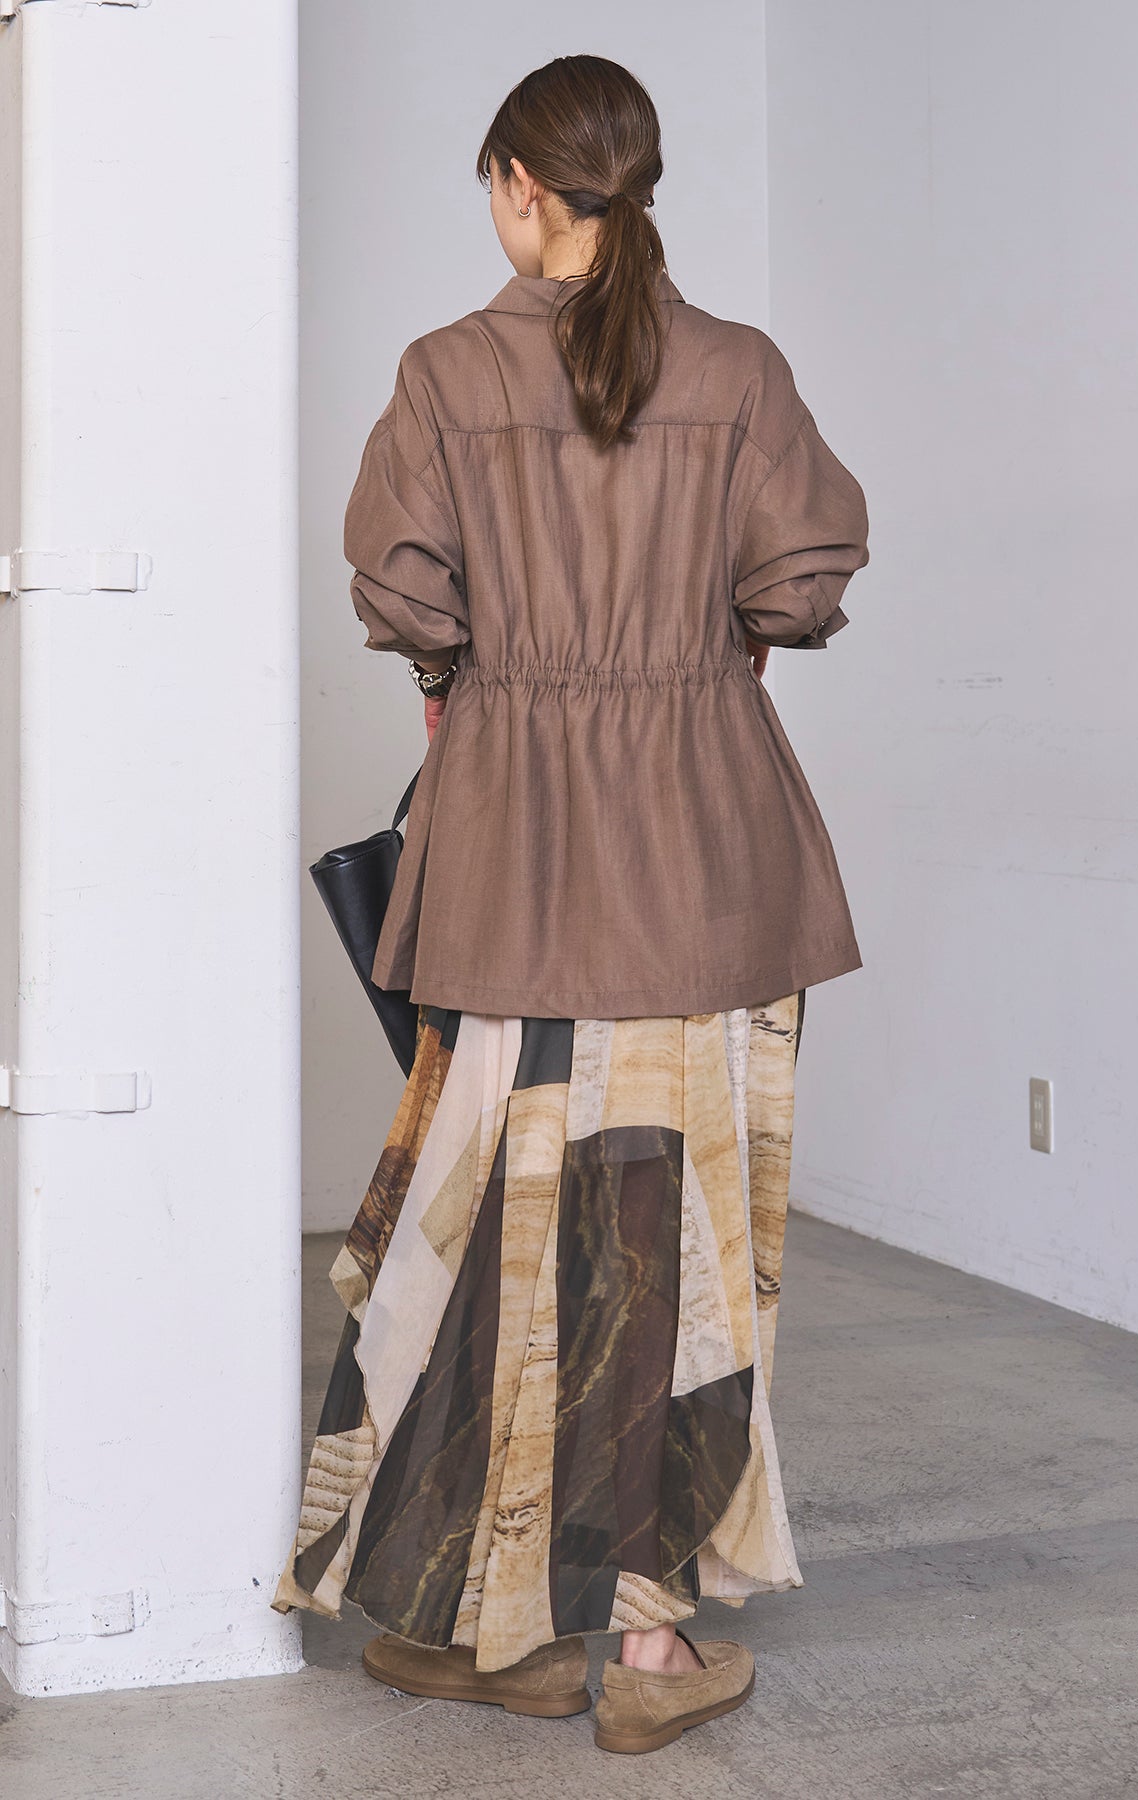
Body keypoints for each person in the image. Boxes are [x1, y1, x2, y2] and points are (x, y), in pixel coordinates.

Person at [272, 52, 870, 1757]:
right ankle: (649, 1644)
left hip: (517, 855)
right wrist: (691, 660)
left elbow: (402, 589)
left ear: (520, 188)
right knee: (684, 1242)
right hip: (713, 860)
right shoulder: (738, 369)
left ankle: (512, 1624)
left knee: (489, 1224)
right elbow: (803, 579)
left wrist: (496, 683)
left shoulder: (446, 373)